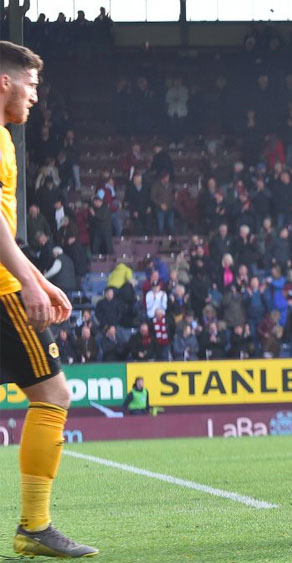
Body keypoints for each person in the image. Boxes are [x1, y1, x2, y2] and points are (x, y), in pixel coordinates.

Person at [0, 41, 98, 558]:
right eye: (31, 84)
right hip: (2, 293)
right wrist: (29, 284)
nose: (35, 96)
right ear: (5, 82)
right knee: (53, 396)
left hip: (10, 280)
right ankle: (34, 526)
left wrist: (40, 277)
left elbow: (5, 230)